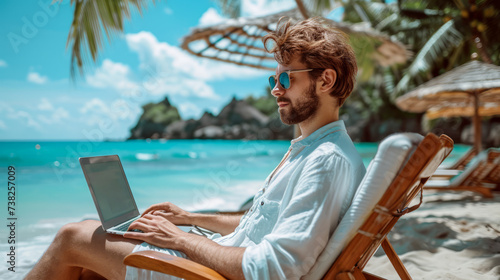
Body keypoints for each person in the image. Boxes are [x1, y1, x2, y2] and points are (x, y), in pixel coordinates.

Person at [26, 17, 366, 280]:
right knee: (93, 253)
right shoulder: (315, 149)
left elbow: (273, 268)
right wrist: (190, 219)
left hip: (208, 273)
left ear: (326, 80)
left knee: (72, 236)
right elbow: (260, 224)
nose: (276, 90)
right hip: (214, 262)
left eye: (286, 79)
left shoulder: (326, 160)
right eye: (273, 80)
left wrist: (180, 239)